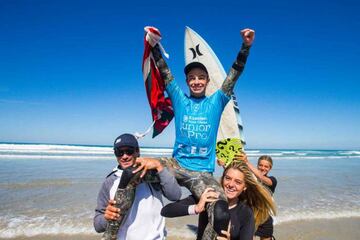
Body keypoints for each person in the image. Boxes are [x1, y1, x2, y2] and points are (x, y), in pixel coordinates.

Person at [149, 27, 255, 238]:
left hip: (202, 174)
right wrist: (153, 46)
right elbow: (164, 71)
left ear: (207, 81)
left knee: (221, 210)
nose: (196, 81)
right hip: (175, 165)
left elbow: (234, 75)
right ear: (187, 81)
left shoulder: (216, 101)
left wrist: (246, 47)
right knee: (133, 173)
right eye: (192, 78)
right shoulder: (180, 99)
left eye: (201, 77)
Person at [93, 133, 182, 240]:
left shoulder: (153, 174)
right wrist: (107, 217)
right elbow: (97, 226)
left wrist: (159, 166)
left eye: (129, 151)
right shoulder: (110, 181)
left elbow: (175, 195)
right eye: (119, 152)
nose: (124, 156)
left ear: (137, 151)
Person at [161, 160, 276, 240]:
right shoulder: (208, 196)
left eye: (238, 182)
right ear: (222, 179)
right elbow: (166, 211)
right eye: (228, 178)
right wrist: (196, 207)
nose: (231, 184)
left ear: (244, 187)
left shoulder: (246, 213)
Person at [239, 154, 277, 240]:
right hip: (249, 216)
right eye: (260, 165)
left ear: (270, 168)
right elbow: (236, 178)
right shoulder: (250, 179)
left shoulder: (272, 180)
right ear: (257, 165)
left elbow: (260, 177)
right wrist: (224, 164)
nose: (263, 168)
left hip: (265, 217)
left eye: (266, 166)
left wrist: (247, 162)